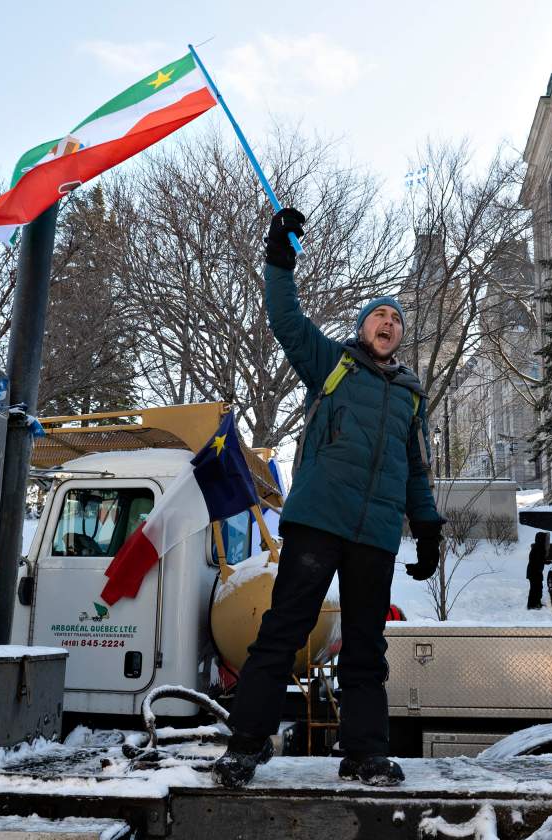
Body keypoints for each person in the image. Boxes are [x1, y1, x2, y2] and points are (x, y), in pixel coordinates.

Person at [212, 208, 444, 789]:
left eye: (394, 318)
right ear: (363, 328)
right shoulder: (333, 366)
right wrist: (279, 261)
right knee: (284, 629)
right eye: (378, 316)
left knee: (366, 645)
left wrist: (429, 526)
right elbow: (285, 319)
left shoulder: (412, 397)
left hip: (375, 536)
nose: (386, 323)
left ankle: (365, 753)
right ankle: (245, 746)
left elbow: (415, 470)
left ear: (399, 335)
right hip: (318, 522)